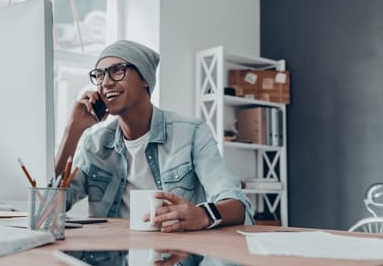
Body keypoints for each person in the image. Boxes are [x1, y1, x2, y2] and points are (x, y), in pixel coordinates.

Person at [55, 40, 253, 232]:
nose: (105, 83)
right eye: (99, 75)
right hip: (112, 256)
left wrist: (202, 214)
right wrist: (73, 130)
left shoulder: (191, 133)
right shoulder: (95, 144)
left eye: (117, 70)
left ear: (144, 79)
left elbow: (236, 205)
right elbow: (50, 209)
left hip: (177, 256)